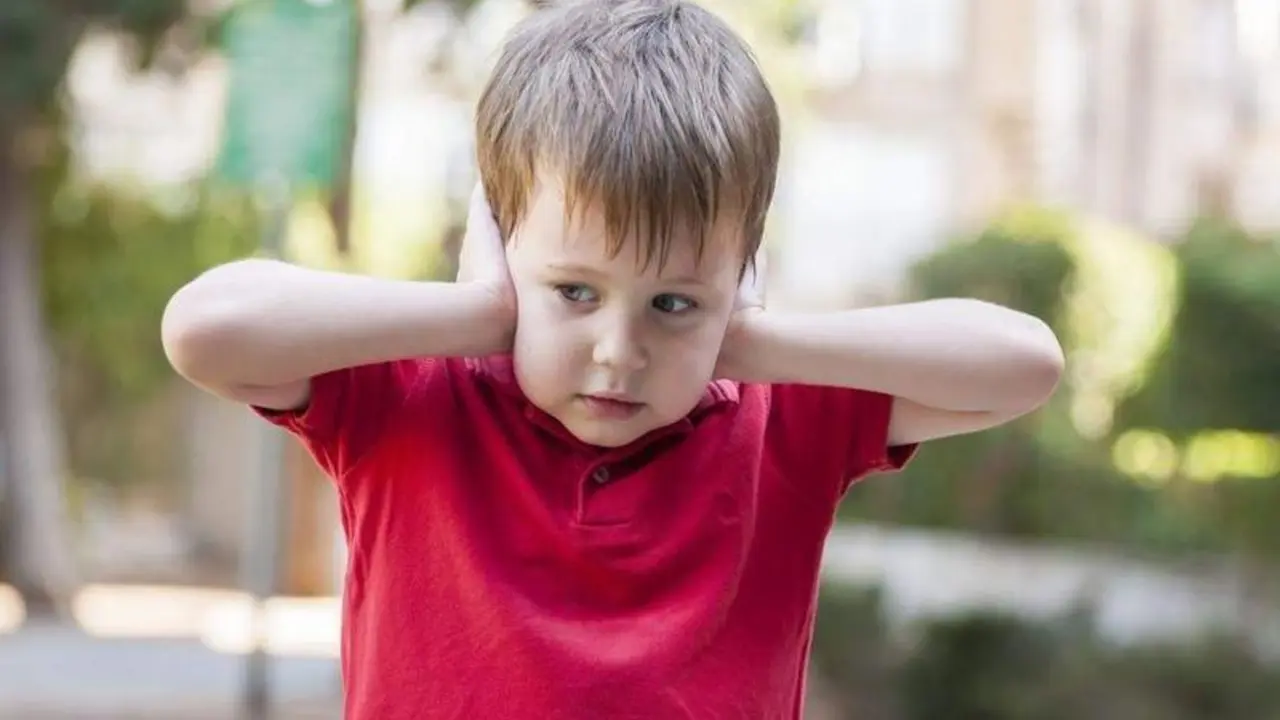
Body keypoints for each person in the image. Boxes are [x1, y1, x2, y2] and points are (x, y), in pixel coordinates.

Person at [161, 0, 1064, 717]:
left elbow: (1024, 364)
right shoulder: (412, 399)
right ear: (502, 247)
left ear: (740, 279)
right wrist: (480, 313)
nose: (619, 353)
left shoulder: (781, 416)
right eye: (574, 292)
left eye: (673, 302)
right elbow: (206, 327)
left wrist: (743, 339)